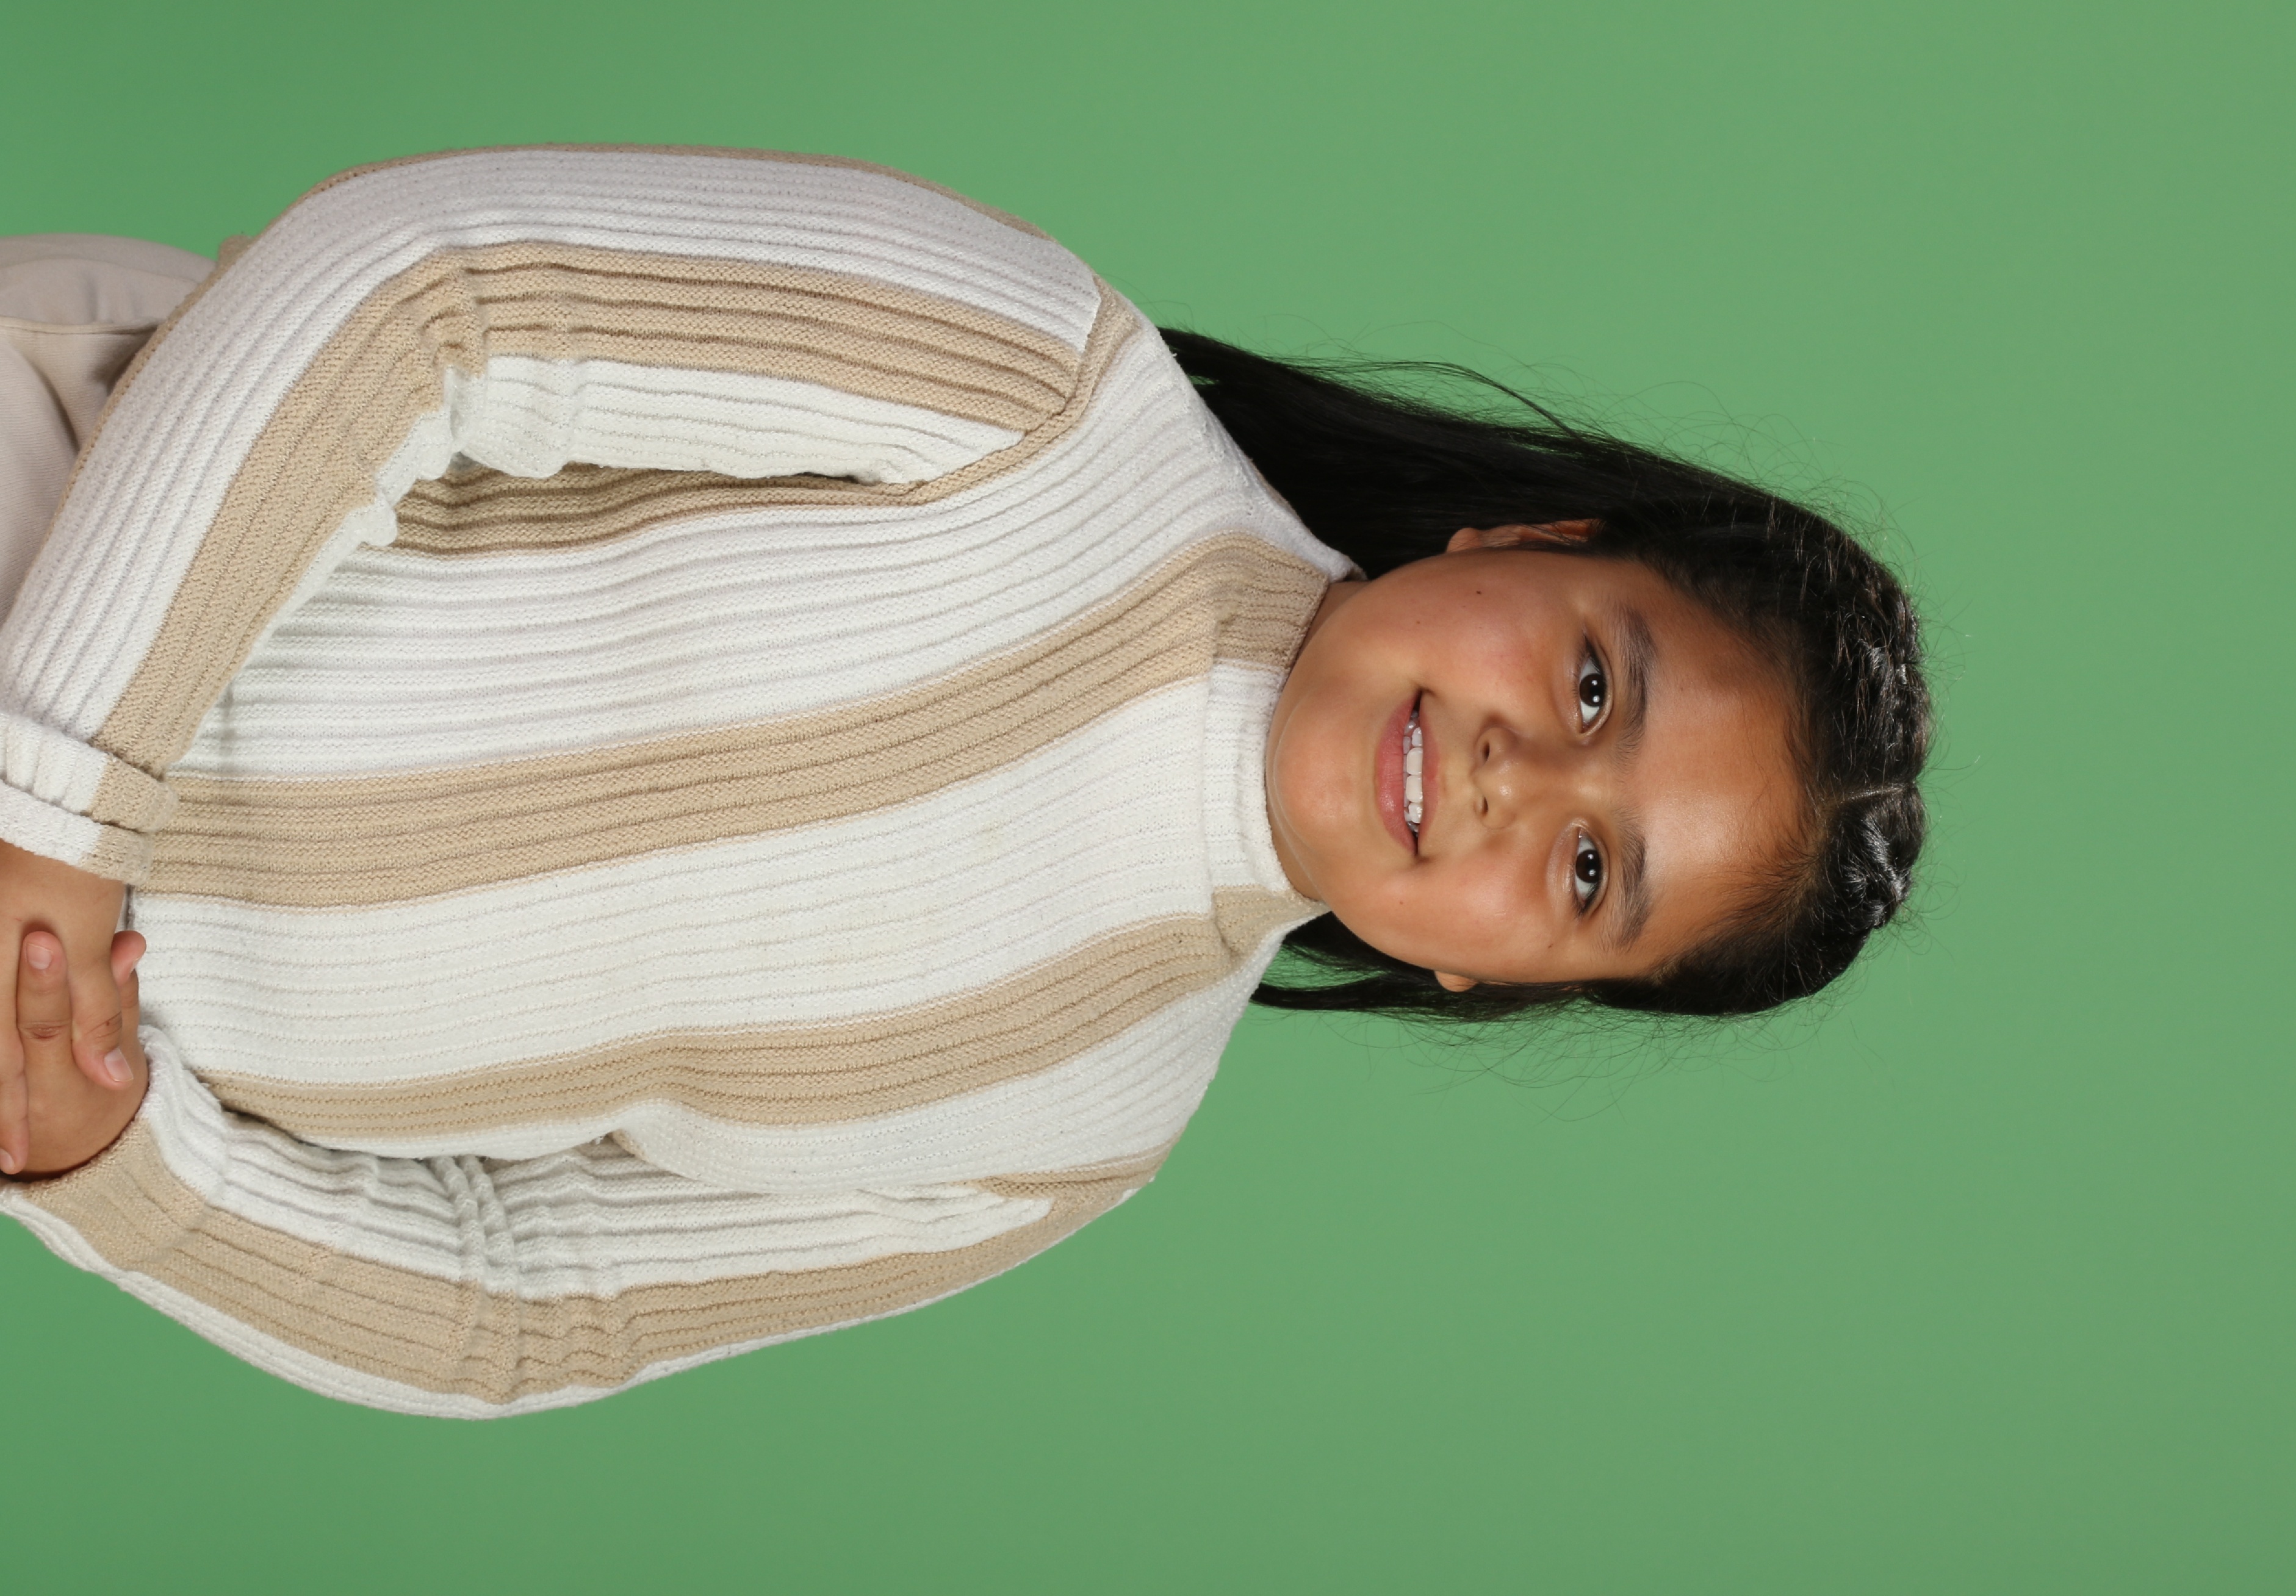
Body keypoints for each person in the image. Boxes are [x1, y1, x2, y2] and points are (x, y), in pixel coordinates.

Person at [0, 146, 1929, 1415]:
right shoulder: (1047, 386)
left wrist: (102, 1159)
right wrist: (59, 822)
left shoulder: (1078, 1136)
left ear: (1487, 978)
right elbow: (426, 295)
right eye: (1593, 681)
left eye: (1591, 879)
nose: (1524, 782)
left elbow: (532, 1307)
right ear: (1526, 539)